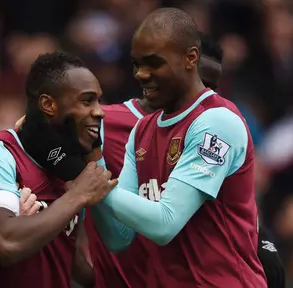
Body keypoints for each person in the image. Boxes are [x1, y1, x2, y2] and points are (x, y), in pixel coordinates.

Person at [86, 8, 267, 287]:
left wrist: (89, 186)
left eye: (153, 63)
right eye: (136, 64)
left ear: (190, 58)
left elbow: (164, 223)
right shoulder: (142, 131)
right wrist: (91, 160)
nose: (141, 74)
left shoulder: (216, 122)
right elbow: (119, 237)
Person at [0, 51, 117, 288]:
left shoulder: (71, 170)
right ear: (48, 104)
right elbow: (4, 242)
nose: (99, 111)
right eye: (87, 100)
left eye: (98, 101)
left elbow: (65, 256)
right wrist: (77, 196)